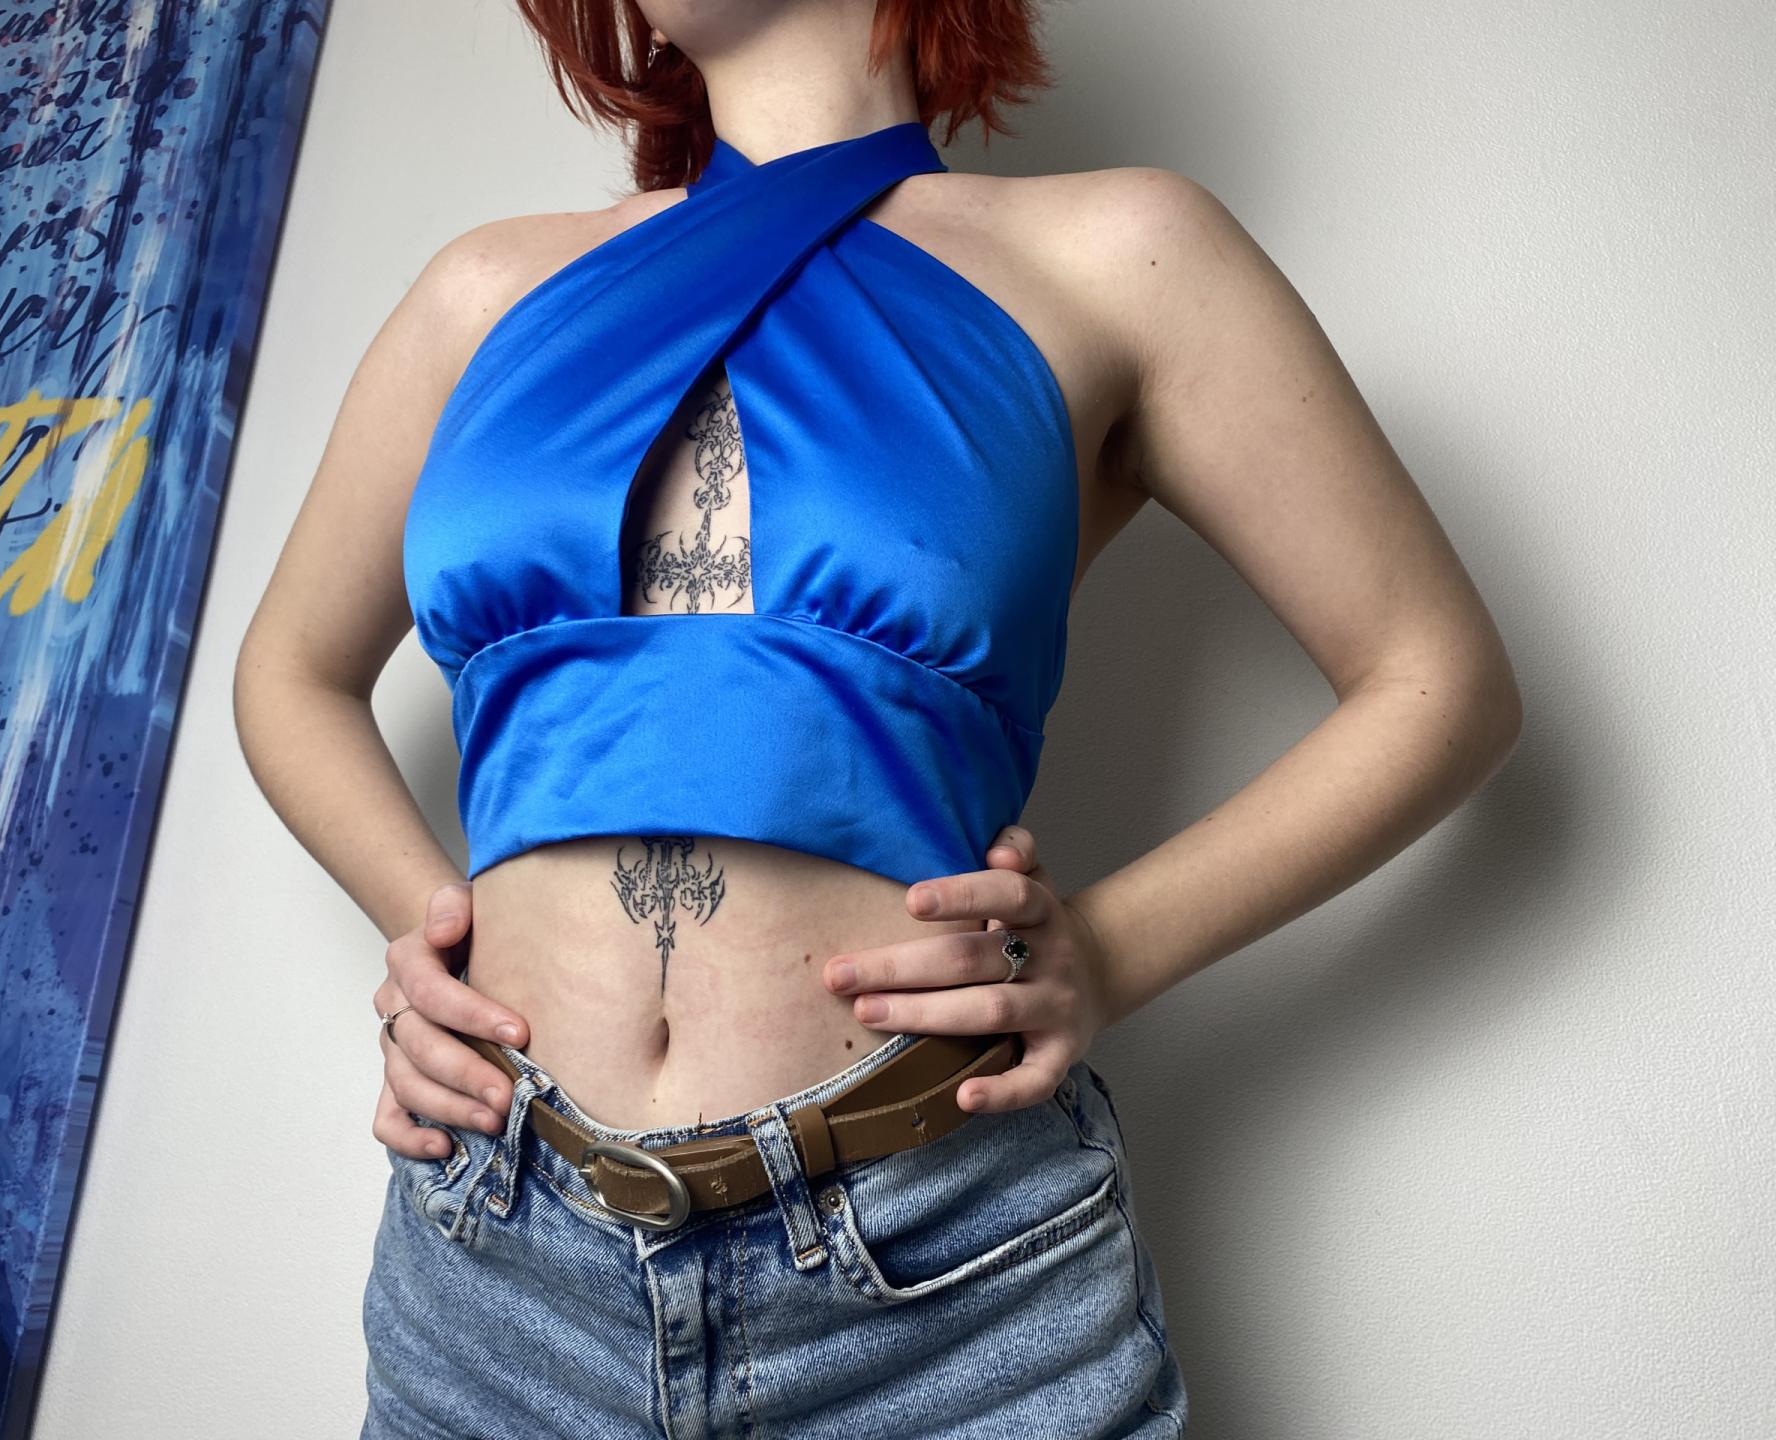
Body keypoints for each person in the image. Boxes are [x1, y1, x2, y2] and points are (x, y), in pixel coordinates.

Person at [233, 1, 1522, 1434]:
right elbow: (290, 671)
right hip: (498, 1274)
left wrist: (1109, 949)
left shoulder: (1125, 258)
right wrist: (431, 949)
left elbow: (1439, 679)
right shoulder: (481, 291)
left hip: (947, 1274)